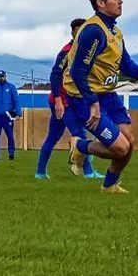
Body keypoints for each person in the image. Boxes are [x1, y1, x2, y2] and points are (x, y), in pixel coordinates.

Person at [63, 0, 138, 193]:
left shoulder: (115, 32)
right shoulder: (93, 31)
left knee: (130, 143)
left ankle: (109, 186)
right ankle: (79, 146)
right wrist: (92, 104)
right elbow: (78, 71)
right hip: (84, 96)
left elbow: (126, 65)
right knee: (121, 148)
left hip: (107, 94)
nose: (121, 1)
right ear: (100, 2)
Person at [36, 18, 102, 180]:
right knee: (79, 134)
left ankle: (40, 172)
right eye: (77, 31)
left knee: (53, 136)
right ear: (72, 32)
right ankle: (88, 172)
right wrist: (58, 101)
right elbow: (55, 75)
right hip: (64, 103)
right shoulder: (67, 51)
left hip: (74, 101)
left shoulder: (87, 51)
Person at [0, 70, 21, 161]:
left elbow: (16, 100)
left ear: (5, 77)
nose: (1, 78)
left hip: (7, 116)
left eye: (2, 76)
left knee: (10, 135)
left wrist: (18, 113)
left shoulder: (11, 87)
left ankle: (11, 154)